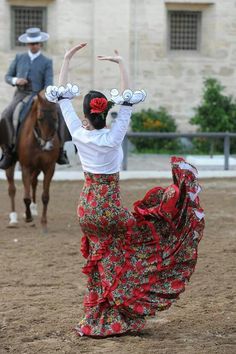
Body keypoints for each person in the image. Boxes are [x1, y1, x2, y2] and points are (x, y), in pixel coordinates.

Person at [46, 43, 205, 338]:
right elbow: (127, 104)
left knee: (102, 259)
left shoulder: (78, 133)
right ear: (106, 113)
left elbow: (63, 96)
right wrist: (121, 64)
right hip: (109, 210)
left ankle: (98, 313)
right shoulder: (114, 136)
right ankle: (120, 307)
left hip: (86, 209)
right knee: (143, 238)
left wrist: (66, 58)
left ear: (86, 114)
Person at [0, 27, 69, 170]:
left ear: (40, 44)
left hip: (40, 96)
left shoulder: (46, 61)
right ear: (28, 44)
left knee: (60, 114)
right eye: (32, 43)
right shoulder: (19, 58)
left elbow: (49, 82)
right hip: (21, 95)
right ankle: (7, 151)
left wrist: (43, 95)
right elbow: (7, 77)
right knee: (5, 115)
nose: (34, 46)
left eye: (37, 43)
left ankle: (61, 150)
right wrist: (16, 80)